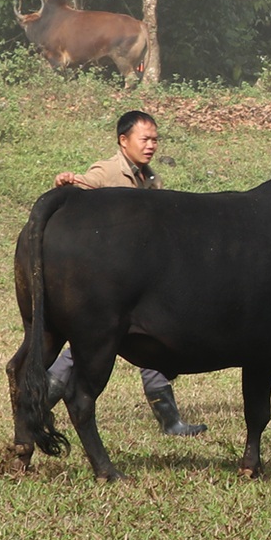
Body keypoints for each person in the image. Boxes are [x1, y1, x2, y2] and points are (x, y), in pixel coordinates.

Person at [47, 110, 207, 437]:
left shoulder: (152, 181)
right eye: (144, 139)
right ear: (123, 141)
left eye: (155, 140)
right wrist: (67, 181)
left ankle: (169, 420)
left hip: (143, 279)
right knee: (90, 343)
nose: (151, 146)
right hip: (108, 280)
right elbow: (82, 190)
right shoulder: (105, 172)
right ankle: (38, 404)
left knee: (152, 338)